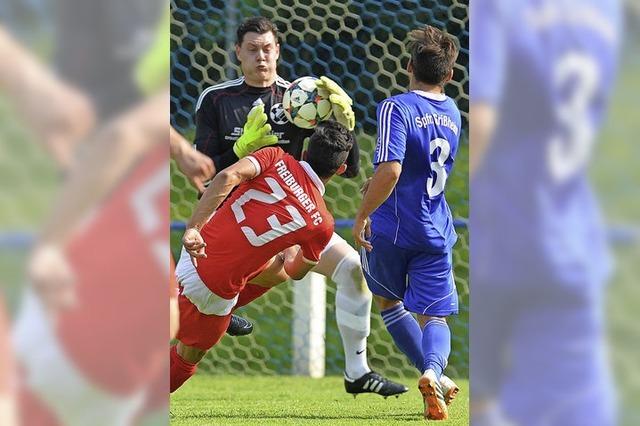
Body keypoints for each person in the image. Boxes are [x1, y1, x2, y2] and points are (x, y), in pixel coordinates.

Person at [189, 16, 406, 395]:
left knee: (354, 271)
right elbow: (204, 178)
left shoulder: (302, 99)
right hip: (235, 221)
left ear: (278, 51)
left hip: (292, 220)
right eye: (252, 49)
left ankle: (357, 372)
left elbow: (347, 168)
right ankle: (219, 308)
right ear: (237, 52)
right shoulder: (216, 100)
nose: (261, 57)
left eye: (268, 49)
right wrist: (240, 151)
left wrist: (344, 124)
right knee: (268, 274)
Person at [470, 0, 621, 424]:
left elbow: (481, 120)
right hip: (570, 237)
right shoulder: (603, 12)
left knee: (481, 402)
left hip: (500, 241)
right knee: (573, 406)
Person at [172, 120, 352, 392]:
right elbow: (295, 271)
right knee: (187, 357)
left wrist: (193, 229)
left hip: (192, 252)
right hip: (213, 293)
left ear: (305, 152)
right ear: (340, 169)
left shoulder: (274, 156)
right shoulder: (321, 223)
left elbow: (225, 178)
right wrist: (289, 246)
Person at [352, 25, 462, 420]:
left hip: (392, 228)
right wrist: (380, 181)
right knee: (434, 314)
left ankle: (432, 377)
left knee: (388, 300)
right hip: (434, 229)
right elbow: (422, 169)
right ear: (449, 74)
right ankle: (435, 372)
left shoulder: (395, 107)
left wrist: (363, 211)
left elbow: (392, 170)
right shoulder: (453, 114)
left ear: (408, 66)